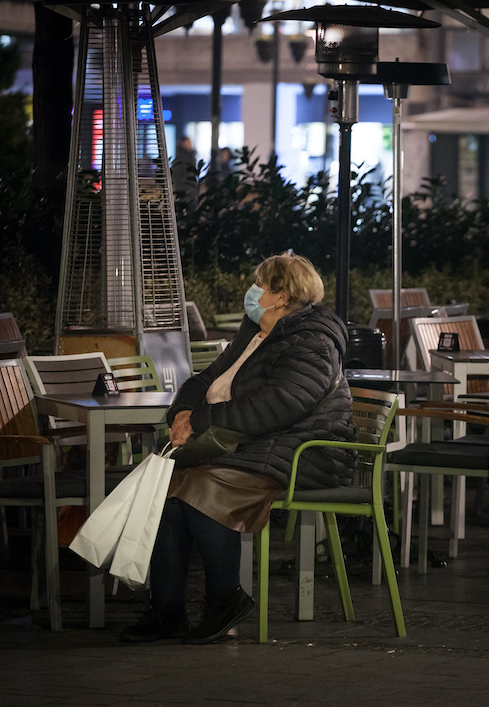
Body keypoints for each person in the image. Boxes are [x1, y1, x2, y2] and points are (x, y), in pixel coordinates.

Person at [119, 253, 355, 644]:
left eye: (260, 285)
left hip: (306, 454)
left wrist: (200, 422)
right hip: (255, 444)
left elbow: (281, 403)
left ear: (281, 296)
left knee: (200, 488)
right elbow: (206, 377)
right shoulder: (256, 333)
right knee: (166, 492)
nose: (253, 292)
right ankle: (166, 612)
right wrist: (182, 412)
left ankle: (225, 600)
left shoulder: (311, 340)